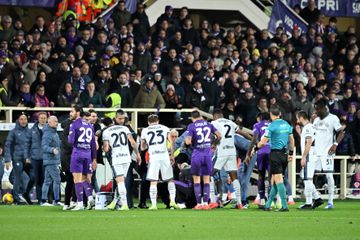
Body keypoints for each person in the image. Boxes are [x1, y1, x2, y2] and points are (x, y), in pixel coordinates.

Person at [257, 106, 294, 211]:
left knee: (278, 181)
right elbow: (291, 139)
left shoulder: (272, 126)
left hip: (275, 155)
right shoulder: (287, 125)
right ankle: (268, 205)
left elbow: (263, 142)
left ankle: (284, 205)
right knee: (274, 180)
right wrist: (291, 152)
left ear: (271, 115)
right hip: (284, 154)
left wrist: (256, 147)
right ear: (280, 114)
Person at [103, 111, 141, 211]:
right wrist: (137, 154)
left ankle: (124, 204)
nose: (121, 120)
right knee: (121, 181)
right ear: (115, 118)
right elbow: (133, 143)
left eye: (123, 118)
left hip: (117, 158)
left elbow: (106, 148)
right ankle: (115, 201)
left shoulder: (107, 131)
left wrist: (106, 149)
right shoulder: (125, 129)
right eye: (120, 118)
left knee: (119, 181)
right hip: (126, 158)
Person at [185, 110, 221, 210]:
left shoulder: (192, 126)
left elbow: (188, 142)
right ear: (200, 116)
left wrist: (188, 141)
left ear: (192, 118)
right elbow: (219, 135)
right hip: (208, 154)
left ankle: (198, 204)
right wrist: (213, 144)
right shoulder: (209, 124)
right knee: (206, 180)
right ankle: (205, 203)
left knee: (196, 180)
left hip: (197, 154)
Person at [140, 114, 178, 210]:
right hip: (164, 156)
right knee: (170, 179)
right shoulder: (164, 128)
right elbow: (171, 142)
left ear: (148, 122)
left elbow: (142, 147)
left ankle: (153, 205)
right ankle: (173, 201)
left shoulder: (145, 130)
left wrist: (148, 146)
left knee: (153, 181)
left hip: (154, 157)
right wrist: (172, 155)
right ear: (158, 121)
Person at [313, 98, 345, 209]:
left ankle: (330, 201)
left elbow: (341, 132)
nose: (316, 111)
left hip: (327, 152)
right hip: (316, 152)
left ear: (324, 108)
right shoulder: (316, 120)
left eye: (317, 109)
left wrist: (335, 144)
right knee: (311, 175)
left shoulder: (333, 118)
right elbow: (313, 135)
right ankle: (316, 198)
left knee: (329, 175)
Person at [210, 109, 243, 209]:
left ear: (215, 116)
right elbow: (242, 133)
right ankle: (239, 202)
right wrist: (252, 139)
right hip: (232, 152)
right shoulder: (231, 122)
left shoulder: (214, 122)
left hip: (222, 152)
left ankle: (212, 201)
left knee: (210, 174)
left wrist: (213, 144)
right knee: (234, 177)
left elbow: (218, 137)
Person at [68, 106, 97, 211]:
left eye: (72, 111)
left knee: (77, 179)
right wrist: (94, 158)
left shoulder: (74, 125)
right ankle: (90, 199)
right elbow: (93, 143)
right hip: (88, 154)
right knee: (85, 178)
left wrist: (69, 137)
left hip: (77, 153)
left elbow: (71, 141)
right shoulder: (90, 125)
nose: (70, 113)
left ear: (78, 113)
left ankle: (80, 204)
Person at [296, 111, 323, 209]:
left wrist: (304, 157)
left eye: (297, 118)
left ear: (301, 117)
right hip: (313, 155)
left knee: (307, 179)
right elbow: (307, 141)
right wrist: (299, 133)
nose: (297, 120)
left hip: (309, 156)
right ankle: (317, 198)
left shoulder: (308, 127)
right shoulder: (311, 127)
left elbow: (309, 142)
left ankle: (308, 202)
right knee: (305, 177)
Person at [245, 112, 271, 208]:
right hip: (272, 152)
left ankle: (262, 200)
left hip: (261, 152)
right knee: (272, 177)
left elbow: (254, 138)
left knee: (261, 176)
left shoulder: (257, 125)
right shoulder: (272, 125)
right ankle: (273, 200)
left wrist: (249, 153)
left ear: (259, 117)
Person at [5, 113, 31, 204]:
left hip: (28, 159)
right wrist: (7, 160)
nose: (23, 121)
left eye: (25, 119)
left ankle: (23, 194)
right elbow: (7, 145)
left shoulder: (30, 132)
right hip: (17, 159)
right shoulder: (13, 132)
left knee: (32, 178)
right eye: (21, 119)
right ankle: (16, 198)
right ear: (18, 120)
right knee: (18, 177)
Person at [24, 112, 47, 204]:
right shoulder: (31, 130)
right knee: (35, 178)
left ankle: (41, 200)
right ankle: (30, 194)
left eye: (44, 118)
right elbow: (27, 145)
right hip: (34, 158)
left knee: (43, 179)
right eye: (41, 118)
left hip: (45, 158)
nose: (43, 120)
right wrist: (27, 157)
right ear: (38, 119)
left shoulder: (49, 130)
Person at [40, 116, 62, 206]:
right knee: (57, 180)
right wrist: (52, 150)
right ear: (49, 122)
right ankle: (56, 200)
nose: (57, 123)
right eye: (55, 121)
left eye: (57, 121)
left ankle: (44, 200)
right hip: (51, 160)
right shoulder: (48, 133)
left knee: (47, 181)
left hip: (52, 160)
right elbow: (44, 146)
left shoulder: (54, 133)